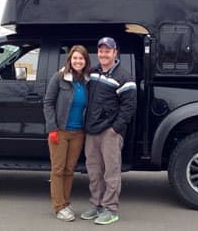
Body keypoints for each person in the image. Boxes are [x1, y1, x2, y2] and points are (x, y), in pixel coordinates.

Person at [80, 37, 136, 225]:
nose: (103, 54)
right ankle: (96, 205)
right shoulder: (93, 73)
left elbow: (129, 107)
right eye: (101, 51)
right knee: (94, 171)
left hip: (109, 132)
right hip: (91, 130)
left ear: (115, 53)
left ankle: (110, 209)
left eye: (107, 51)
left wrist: (115, 129)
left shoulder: (124, 77)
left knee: (111, 172)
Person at [43, 45, 91, 222]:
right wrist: (52, 129)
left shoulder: (86, 81)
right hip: (60, 131)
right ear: (70, 60)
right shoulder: (59, 77)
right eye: (75, 58)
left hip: (78, 132)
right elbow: (48, 103)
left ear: (85, 61)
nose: (78, 61)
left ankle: (66, 202)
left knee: (69, 170)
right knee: (58, 169)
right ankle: (59, 206)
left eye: (81, 58)